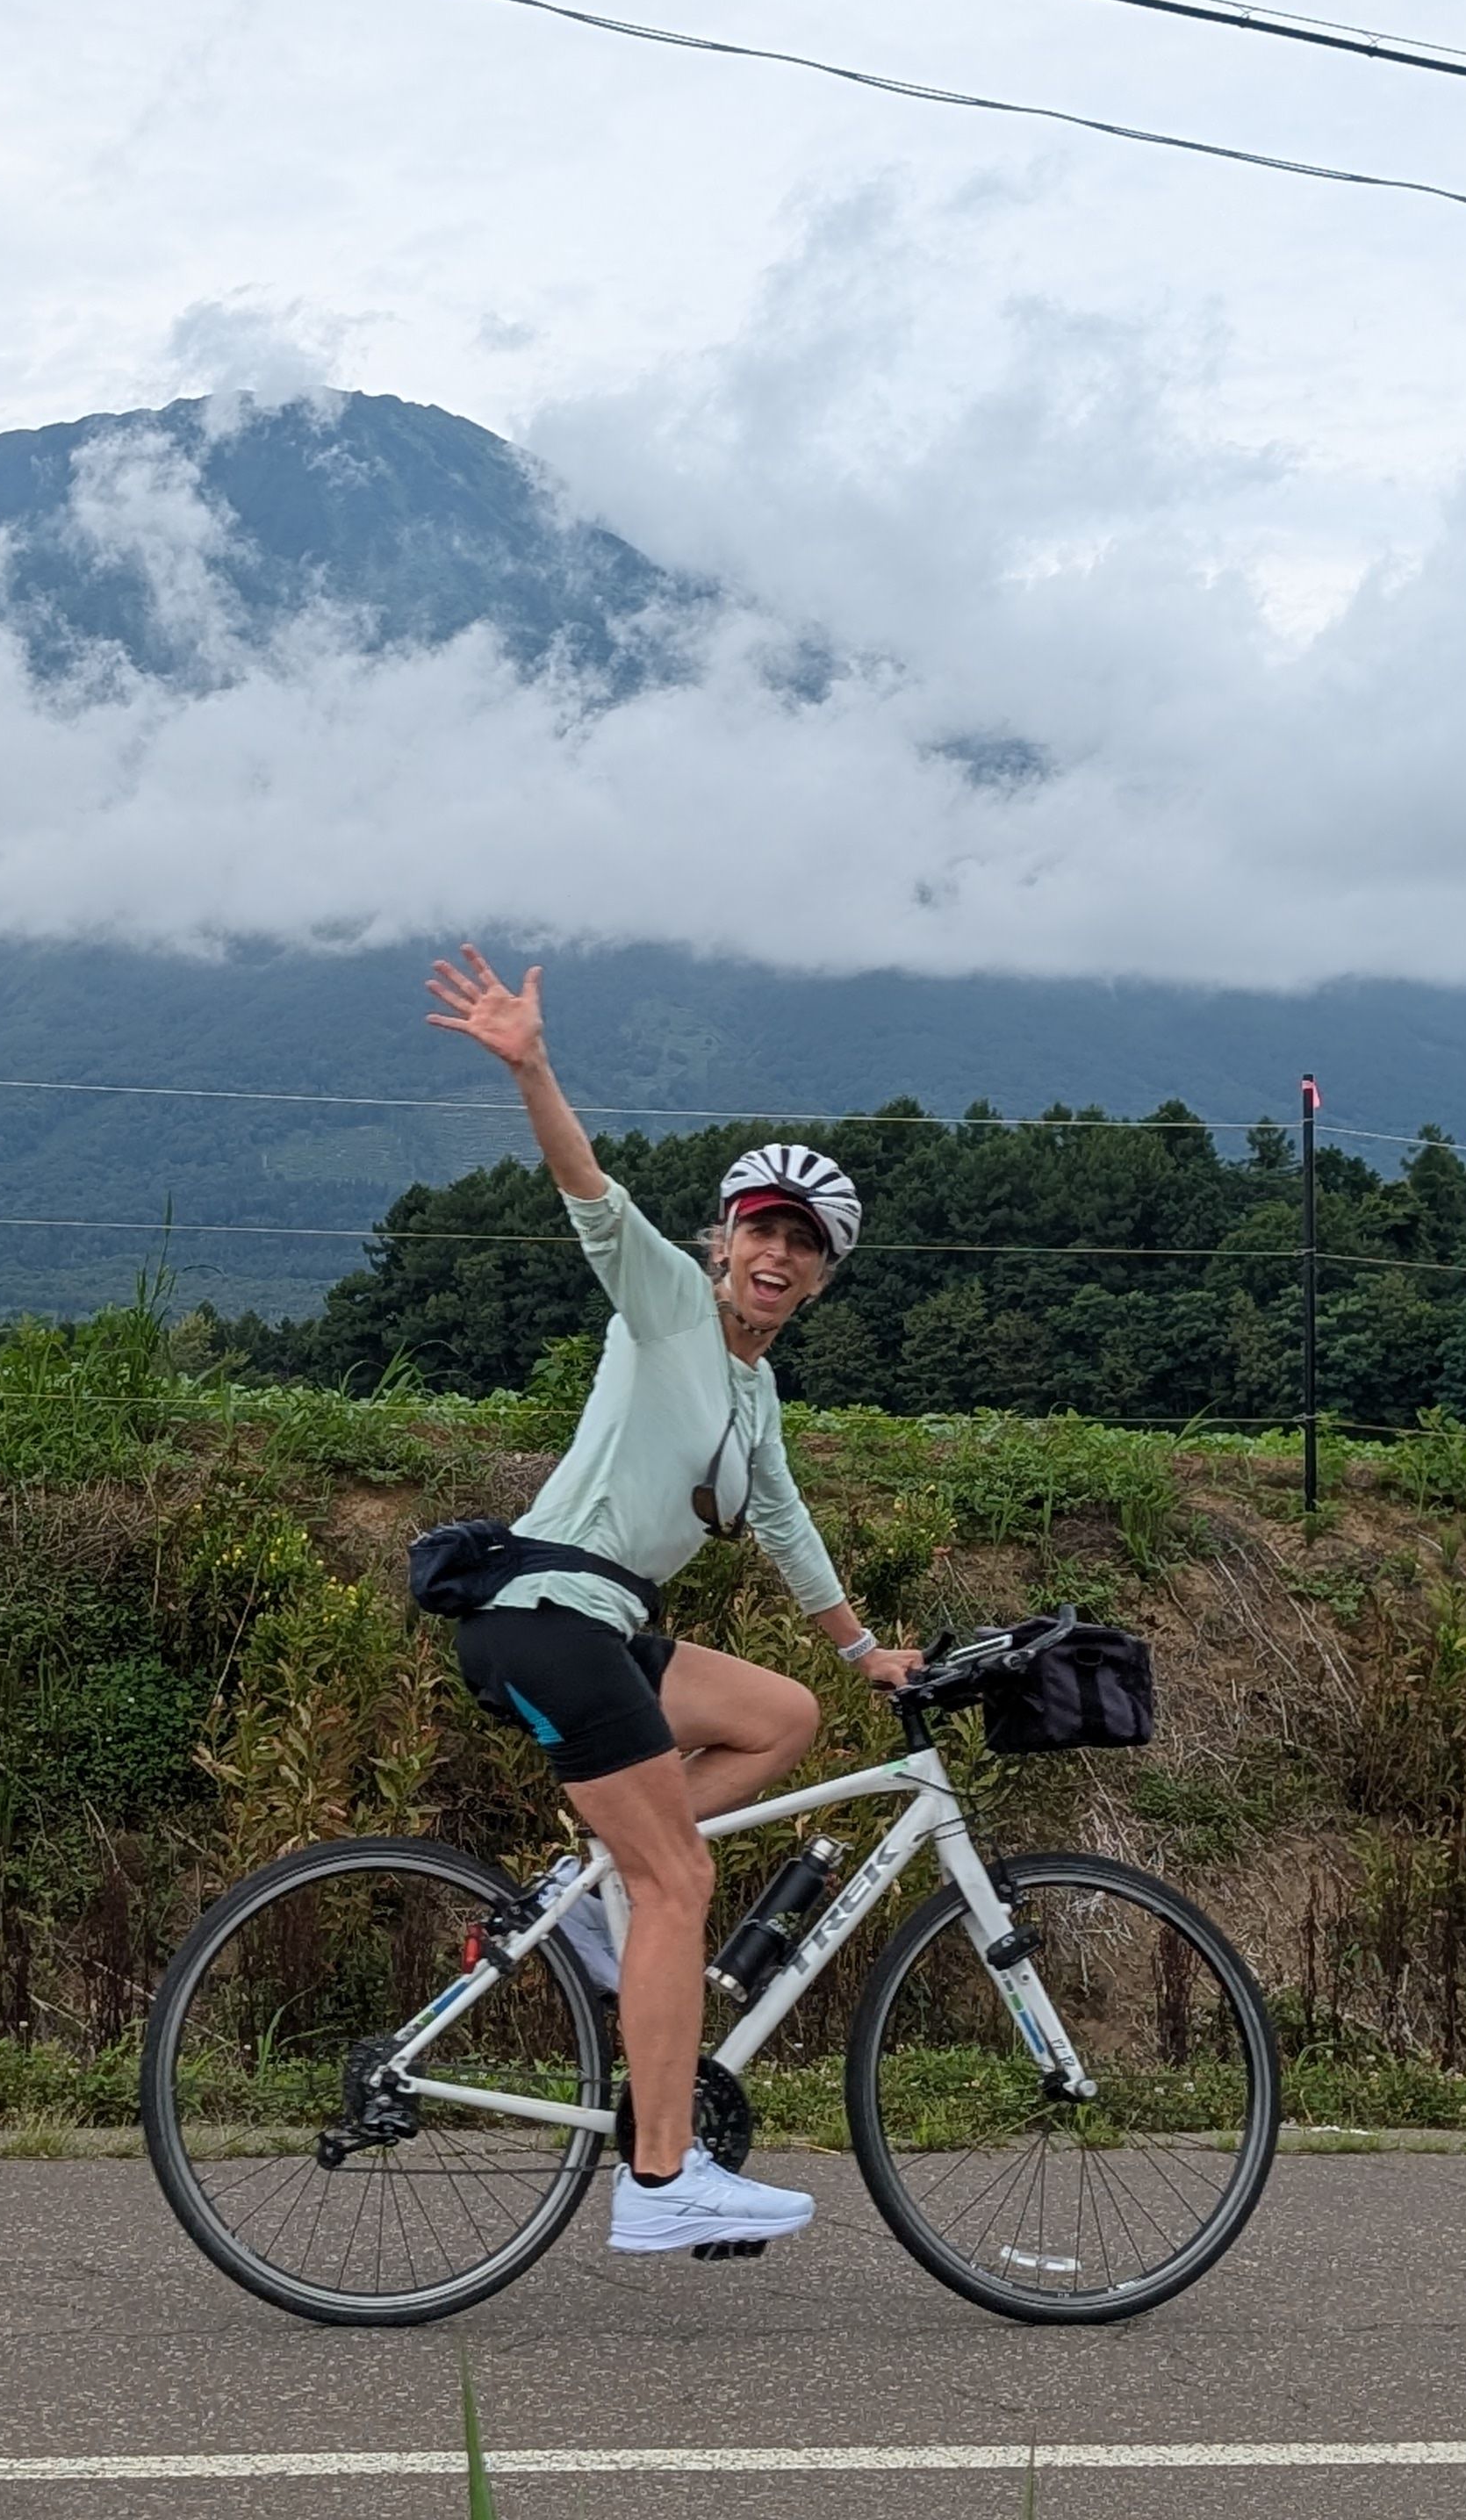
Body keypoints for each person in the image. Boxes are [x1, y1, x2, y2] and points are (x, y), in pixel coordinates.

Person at [423, 944, 919, 2258]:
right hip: (542, 1614)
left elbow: (785, 1524)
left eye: (802, 1245)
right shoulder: (666, 1313)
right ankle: (658, 2176)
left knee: (780, 1713)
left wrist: (864, 1651)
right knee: (684, 1878)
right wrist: (531, 1065)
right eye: (760, 1228)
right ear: (724, 1244)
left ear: (820, 1278)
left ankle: (591, 1895)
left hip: (609, 1628)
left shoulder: (754, 1396)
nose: (776, 1253)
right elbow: (591, 1195)